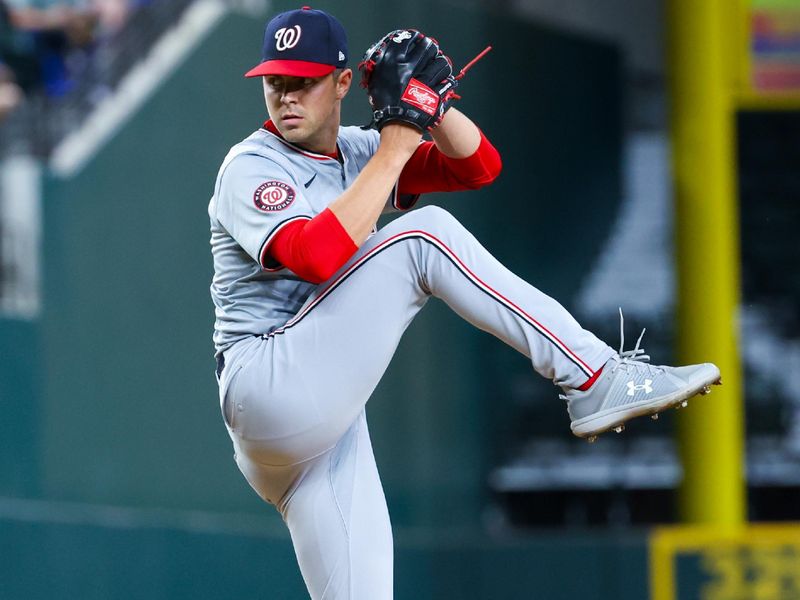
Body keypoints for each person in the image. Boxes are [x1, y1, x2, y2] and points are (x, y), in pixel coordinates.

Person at [208, 7, 720, 599]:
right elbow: (315, 256)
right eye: (276, 81)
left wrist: (436, 103)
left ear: (343, 82)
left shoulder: (356, 151)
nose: (286, 96)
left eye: (304, 81)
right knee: (425, 237)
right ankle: (595, 376)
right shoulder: (252, 165)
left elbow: (478, 167)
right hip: (266, 384)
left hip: (323, 428)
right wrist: (396, 143)